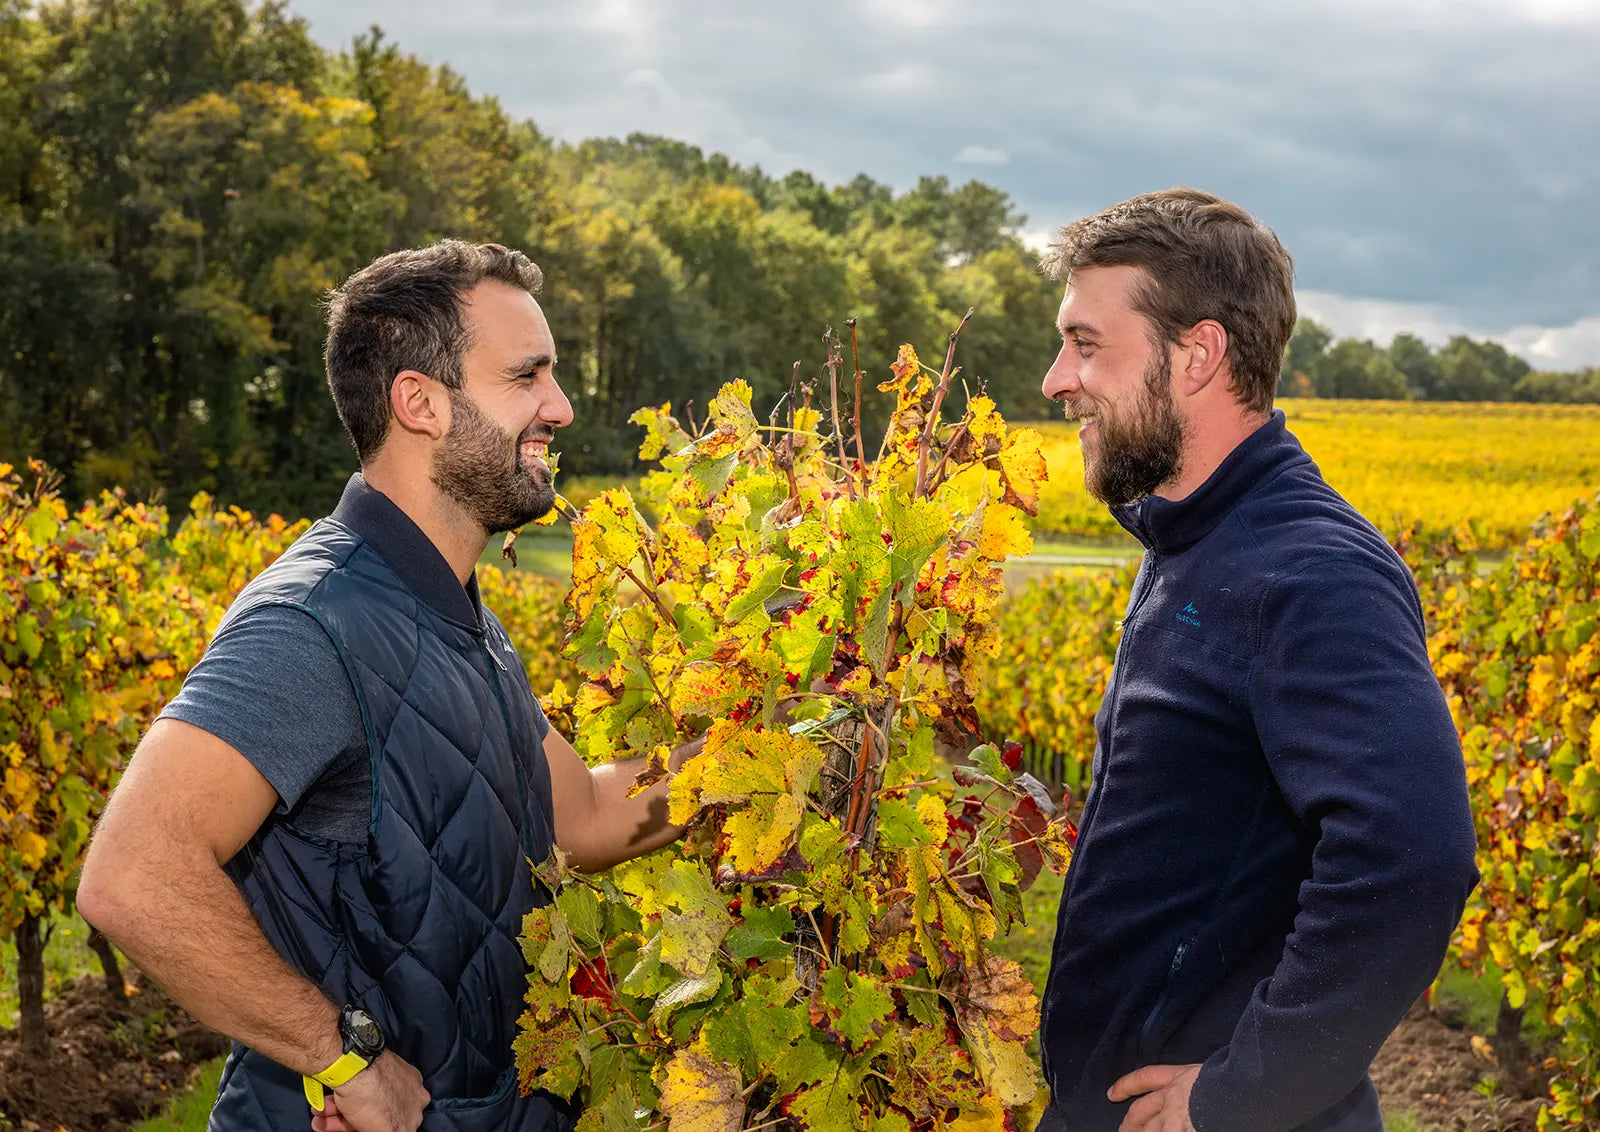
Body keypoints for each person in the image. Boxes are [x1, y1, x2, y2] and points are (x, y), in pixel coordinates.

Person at [79, 241, 692, 1132]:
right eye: (528, 377)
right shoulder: (314, 623)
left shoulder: (455, 617)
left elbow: (585, 818)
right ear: (420, 402)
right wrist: (347, 1057)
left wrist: (783, 753)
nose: (559, 407)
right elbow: (132, 876)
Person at [1031, 190, 1479, 1132]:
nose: (1055, 379)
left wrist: (1242, 1095)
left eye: (1085, 342)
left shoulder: (1308, 572)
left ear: (1196, 355)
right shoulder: (1198, 539)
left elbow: (1413, 856)